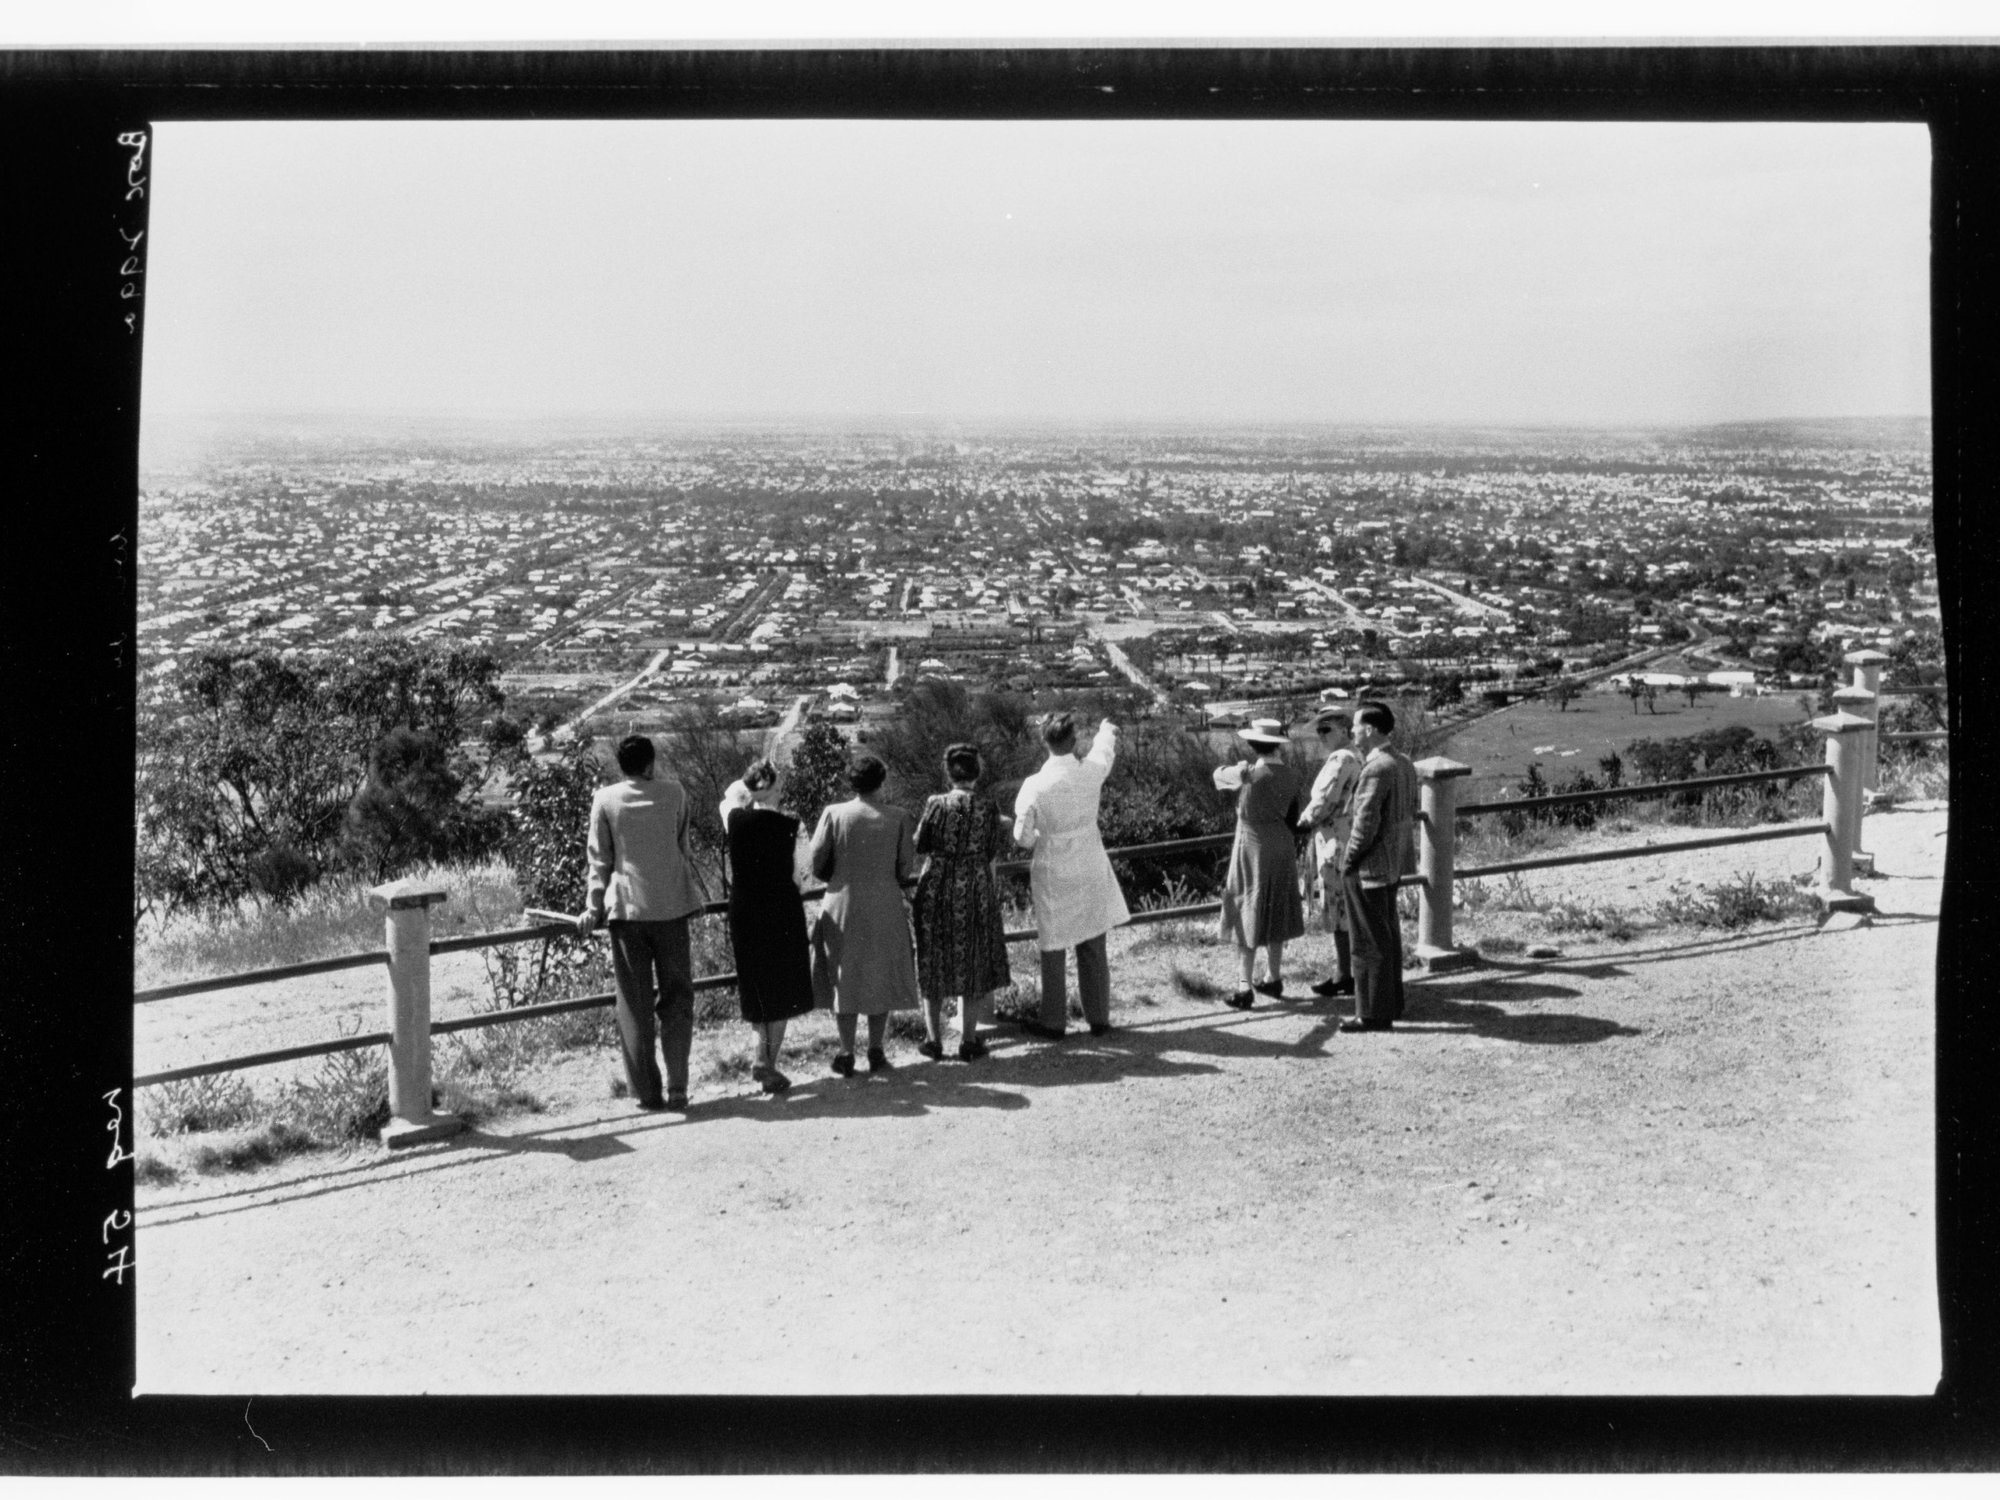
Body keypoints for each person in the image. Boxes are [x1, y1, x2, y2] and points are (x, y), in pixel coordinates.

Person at [575, 734, 708, 1112]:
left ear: (622, 766)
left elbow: (599, 860)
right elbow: (682, 847)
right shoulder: (675, 793)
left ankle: (648, 1093)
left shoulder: (605, 799)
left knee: (634, 1005)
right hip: (672, 909)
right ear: (650, 763)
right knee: (677, 999)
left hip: (627, 912)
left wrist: (593, 906)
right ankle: (678, 1088)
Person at [1013, 712, 1129, 1040]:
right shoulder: (1090, 772)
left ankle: (1053, 1021)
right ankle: (1099, 1017)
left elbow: (1023, 838)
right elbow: (1103, 752)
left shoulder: (1035, 785)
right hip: (1089, 863)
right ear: (1073, 740)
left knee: (1054, 946)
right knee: (1093, 942)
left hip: (1054, 870)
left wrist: (1039, 835)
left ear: (1044, 741)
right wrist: (1106, 730)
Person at [808, 752, 920, 1075]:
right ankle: (876, 1048)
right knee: (879, 973)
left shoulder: (834, 814)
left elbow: (816, 863)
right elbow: (904, 868)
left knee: (844, 975)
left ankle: (846, 1051)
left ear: (852, 782)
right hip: (884, 902)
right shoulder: (899, 817)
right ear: (881, 782)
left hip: (842, 902)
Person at [912, 743, 1013, 1062]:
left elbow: (920, 843)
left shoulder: (936, 804)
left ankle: (933, 1040)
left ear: (949, 773)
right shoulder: (988, 807)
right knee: (973, 959)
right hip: (975, 887)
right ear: (976, 773)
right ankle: (969, 1040)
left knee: (933, 959)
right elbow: (992, 848)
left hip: (938, 886)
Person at [723, 757, 814, 1094]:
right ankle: (766, 1061)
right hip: (781, 907)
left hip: (745, 909)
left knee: (756, 984)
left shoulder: (734, 817)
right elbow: (804, 876)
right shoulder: (793, 826)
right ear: (776, 787)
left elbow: (730, 793)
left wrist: (751, 788)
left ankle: (762, 1058)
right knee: (783, 986)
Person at [1337, 700, 1420, 1033]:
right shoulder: (1403, 763)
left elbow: (1365, 824)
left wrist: (1349, 861)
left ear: (1370, 730)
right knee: (1387, 936)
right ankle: (1391, 1002)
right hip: (1393, 863)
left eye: (1356, 726)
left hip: (1369, 866)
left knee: (1367, 941)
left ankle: (1372, 1013)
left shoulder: (1376, 768)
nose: (1352, 731)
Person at [1214, 717, 1307, 1007]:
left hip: (1251, 845)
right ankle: (1273, 976)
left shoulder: (1249, 774)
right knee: (1276, 908)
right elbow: (1294, 815)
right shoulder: (1291, 775)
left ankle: (1244, 986)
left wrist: (1242, 769)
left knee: (1247, 909)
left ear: (1253, 744)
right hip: (1282, 844)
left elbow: (1218, 777)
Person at [1299, 706, 1363, 1000]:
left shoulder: (1341, 759)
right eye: (1319, 730)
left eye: (1326, 730)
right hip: (1347, 834)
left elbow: (1325, 799)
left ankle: (1344, 974)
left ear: (1343, 729)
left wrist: (1302, 822)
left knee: (1338, 909)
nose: (1321, 736)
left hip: (1334, 838)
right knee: (1347, 909)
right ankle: (1349, 972)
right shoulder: (1357, 756)